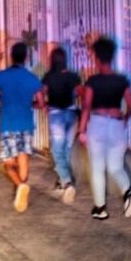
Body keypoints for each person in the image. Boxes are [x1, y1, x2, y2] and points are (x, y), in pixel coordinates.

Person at [78, 36, 131, 220]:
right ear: (112, 56)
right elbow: (130, 102)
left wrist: (81, 130)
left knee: (97, 168)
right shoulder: (122, 80)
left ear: (96, 57)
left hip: (97, 123)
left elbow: (86, 106)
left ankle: (100, 208)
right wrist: (125, 117)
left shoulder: (92, 81)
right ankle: (128, 191)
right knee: (115, 166)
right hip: (117, 124)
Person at [0, 42, 45, 212]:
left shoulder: (2, 76)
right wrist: (31, 104)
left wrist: (2, 100)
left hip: (7, 123)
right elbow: (41, 103)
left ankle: (20, 186)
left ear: (11, 56)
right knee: (23, 159)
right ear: (26, 58)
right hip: (26, 123)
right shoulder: (32, 78)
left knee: (8, 163)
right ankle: (21, 191)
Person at [42, 48, 83, 204]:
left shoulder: (49, 77)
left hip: (56, 115)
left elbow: (42, 92)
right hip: (72, 115)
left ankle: (67, 181)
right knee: (65, 149)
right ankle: (61, 183)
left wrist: (43, 104)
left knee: (56, 149)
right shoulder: (73, 76)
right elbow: (82, 93)